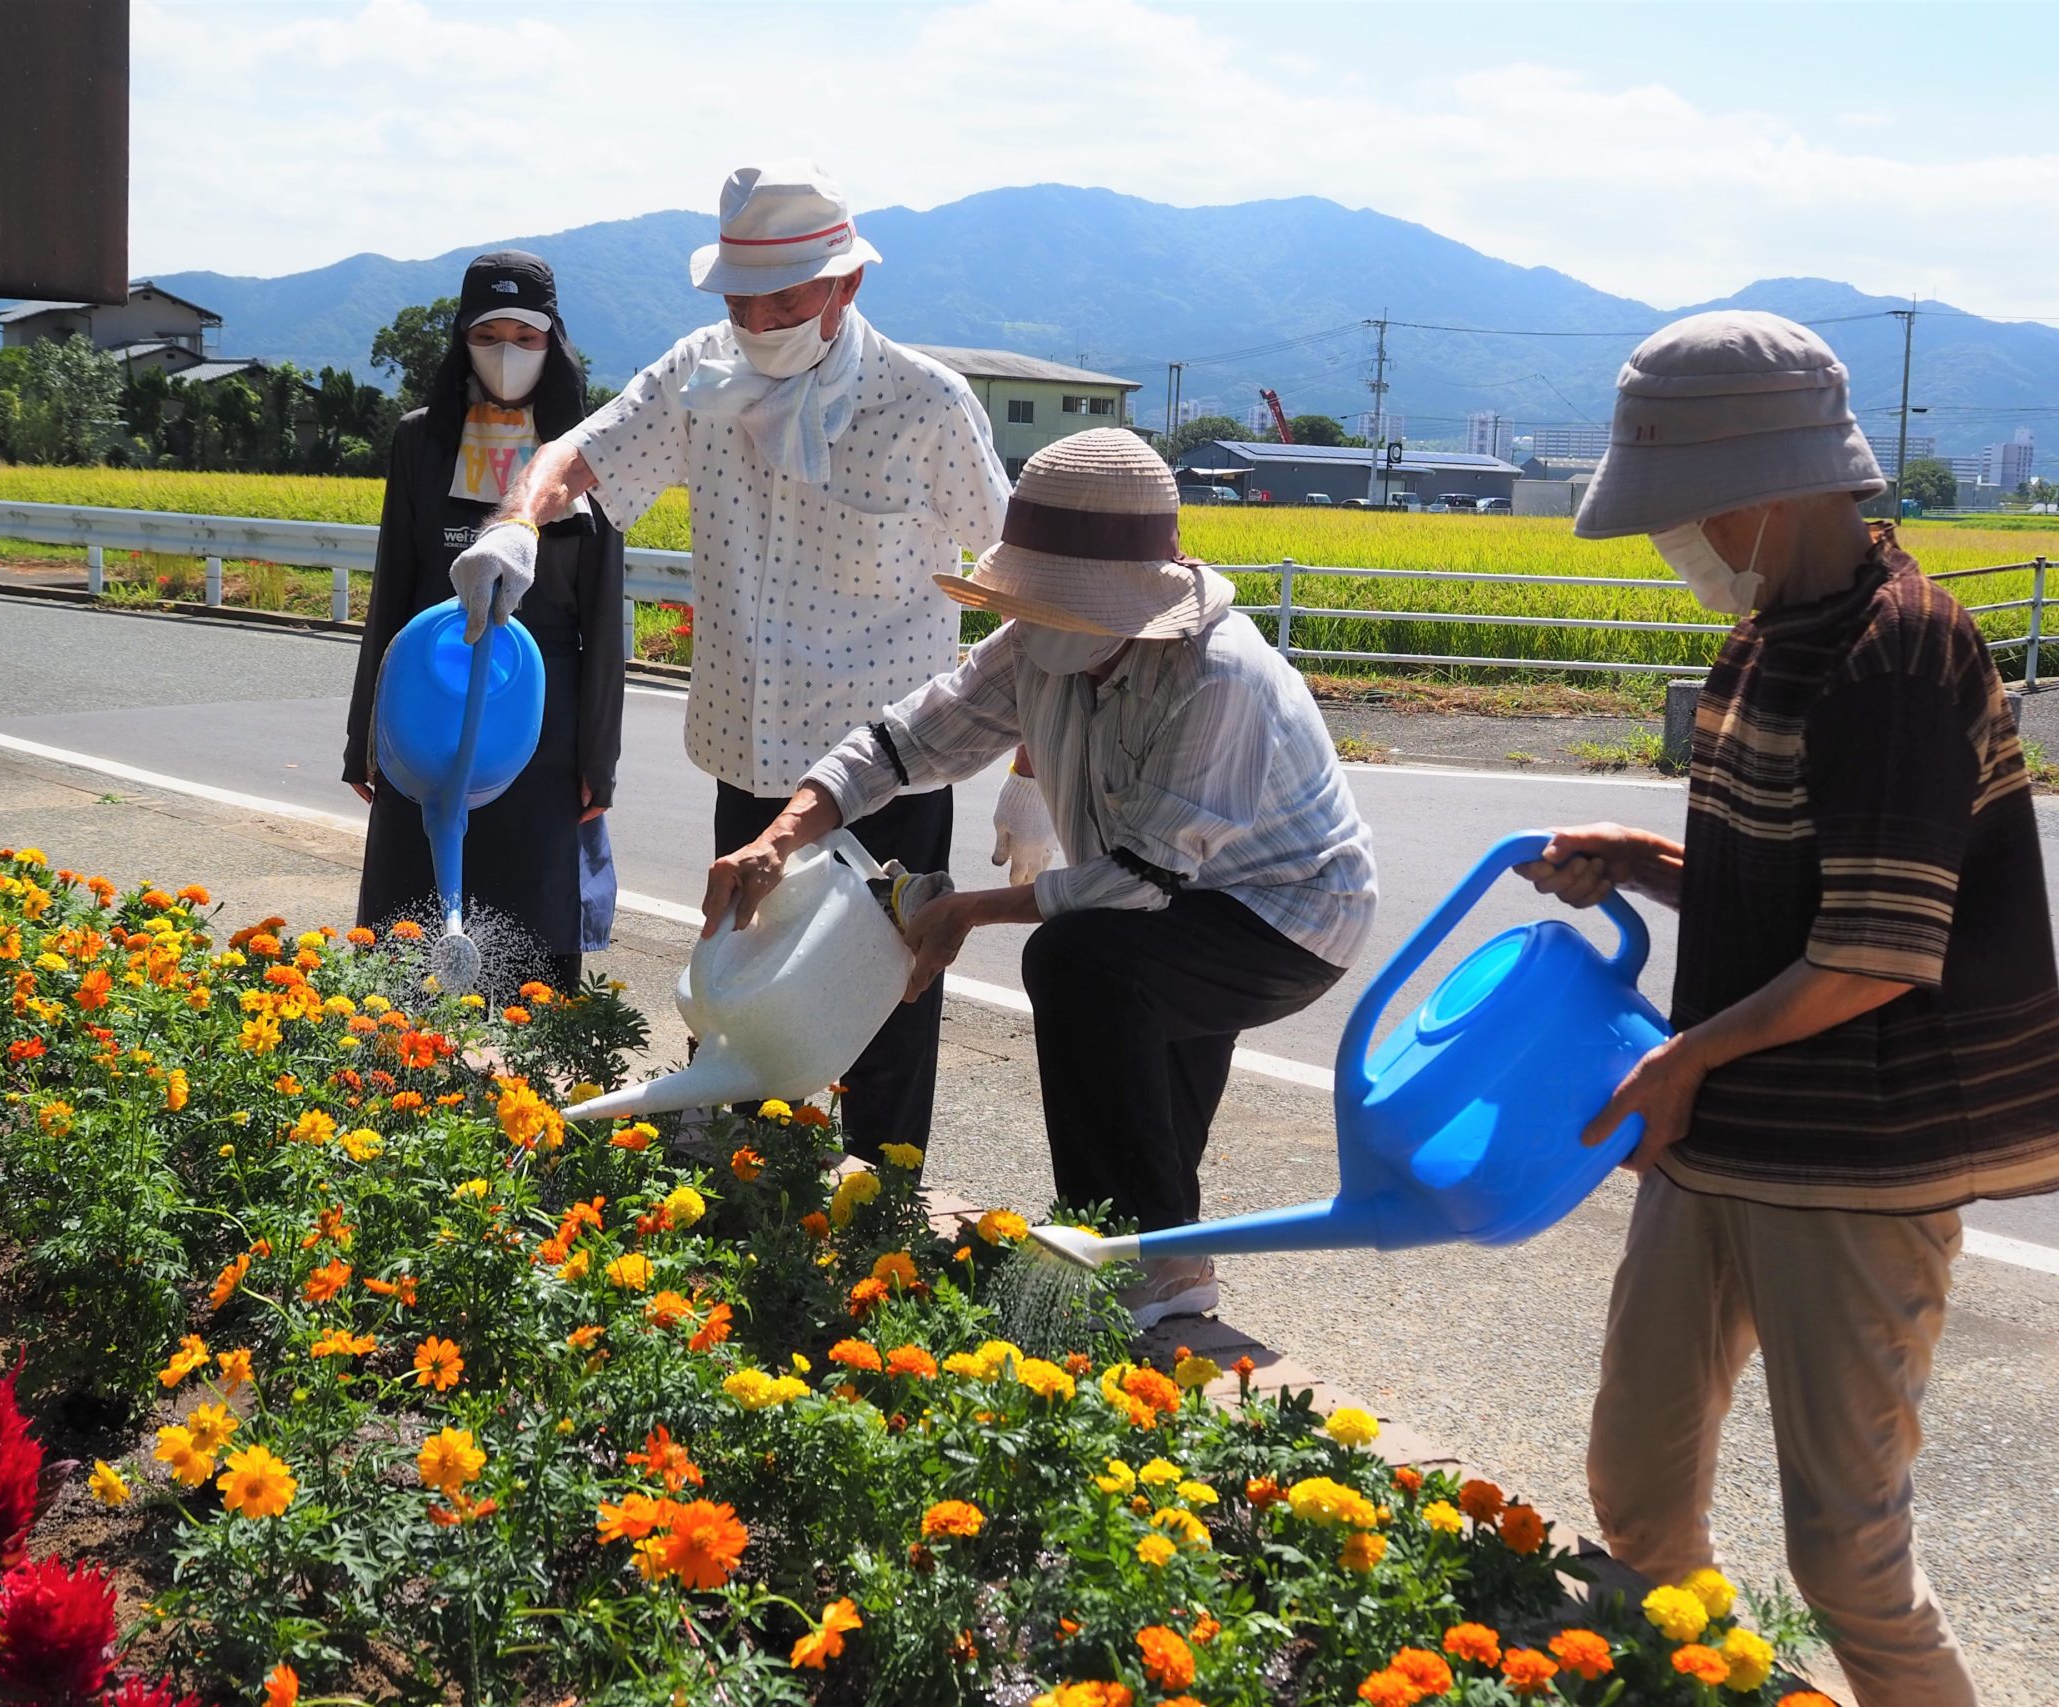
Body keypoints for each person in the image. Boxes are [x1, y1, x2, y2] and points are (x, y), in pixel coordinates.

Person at [1515, 311, 2059, 1707]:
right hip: (1724, 1127)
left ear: (1765, 488)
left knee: (1846, 1553)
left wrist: (1684, 1060)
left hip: (1860, 1155)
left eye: (1684, 511)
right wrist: (1640, 861)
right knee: (1637, 1487)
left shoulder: (1906, 650)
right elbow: (1803, 901)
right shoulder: (1767, 637)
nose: (1674, 541)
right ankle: (1682, 1682)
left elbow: (1879, 950)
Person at [700, 429, 1377, 1328]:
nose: (1046, 622)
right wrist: (779, 837)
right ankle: (1165, 1256)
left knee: (1084, 964)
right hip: (1173, 897)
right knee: (1143, 1058)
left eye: (1072, 605)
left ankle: (1122, 1253)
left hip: (1287, 913)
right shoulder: (1035, 644)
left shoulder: (1218, 674)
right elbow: (906, 740)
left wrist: (965, 912)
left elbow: (1143, 878)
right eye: (1040, 602)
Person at [449, 163, 1011, 1159]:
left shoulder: (926, 405)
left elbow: (1020, 576)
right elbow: (577, 454)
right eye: (739, 298)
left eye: (783, 298)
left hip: (886, 767)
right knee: (743, 993)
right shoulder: (698, 374)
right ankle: (753, 1188)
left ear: (848, 285)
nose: (756, 319)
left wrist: (1037, 765)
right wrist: (515, 526)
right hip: (745, 751)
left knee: (886, 994)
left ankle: (883, 1198)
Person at [344, 250, 622, 992]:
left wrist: (601, 759)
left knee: (533, 917)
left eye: (527, 337)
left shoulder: (592, 452)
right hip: (422, 706)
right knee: (415, 911)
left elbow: (604, 615)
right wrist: (362, 736)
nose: (509, 353)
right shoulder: (419, 441)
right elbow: (392, 593)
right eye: (490, 333)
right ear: (461, 337)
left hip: (547, 712)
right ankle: (404, 1077)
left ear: (553, 343)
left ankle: (527, 1090)